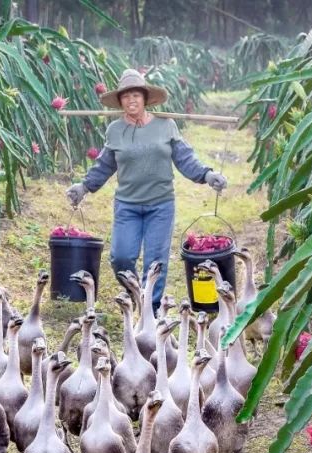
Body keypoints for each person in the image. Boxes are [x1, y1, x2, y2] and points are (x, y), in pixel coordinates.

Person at [65, 69, 227, 314]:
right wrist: (84, 186)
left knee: (155, 262)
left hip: (160, 205)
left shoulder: (165, 125)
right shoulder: (115, 130)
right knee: (120, 257)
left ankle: (150, 309)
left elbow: (185, 158)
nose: (131, 100)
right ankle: (135, 294)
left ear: (145, 98)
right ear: (120, 101)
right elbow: (105, 165)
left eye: (136, 95)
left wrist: (207, 174)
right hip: (127, 205)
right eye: (126, 96)